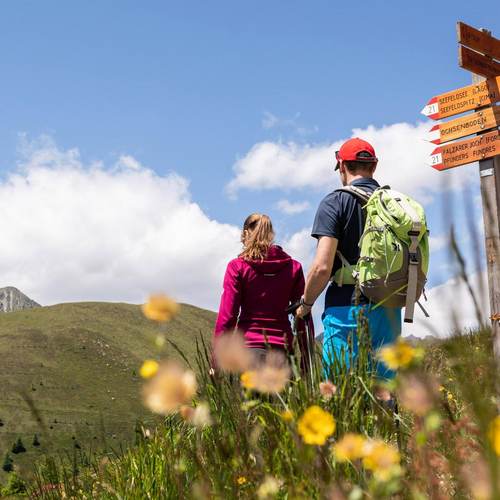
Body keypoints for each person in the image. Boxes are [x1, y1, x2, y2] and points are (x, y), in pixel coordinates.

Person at [296, 138, 401, 384]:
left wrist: (306, 304)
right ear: (374, 167)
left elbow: (322, 267)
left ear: (341, 166)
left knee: (340, 393)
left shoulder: (335, 202)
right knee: (384, 392)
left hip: (347, 309)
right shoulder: (394, 204)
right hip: (390, 308)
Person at [214, 213, 312, 362]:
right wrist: (306, 359)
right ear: (271, 234)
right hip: (282, 354)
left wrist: (216, 359)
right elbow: (303, 314)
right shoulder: (293, 268)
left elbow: (228, 316)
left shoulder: (237, 267)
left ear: (245, 233)